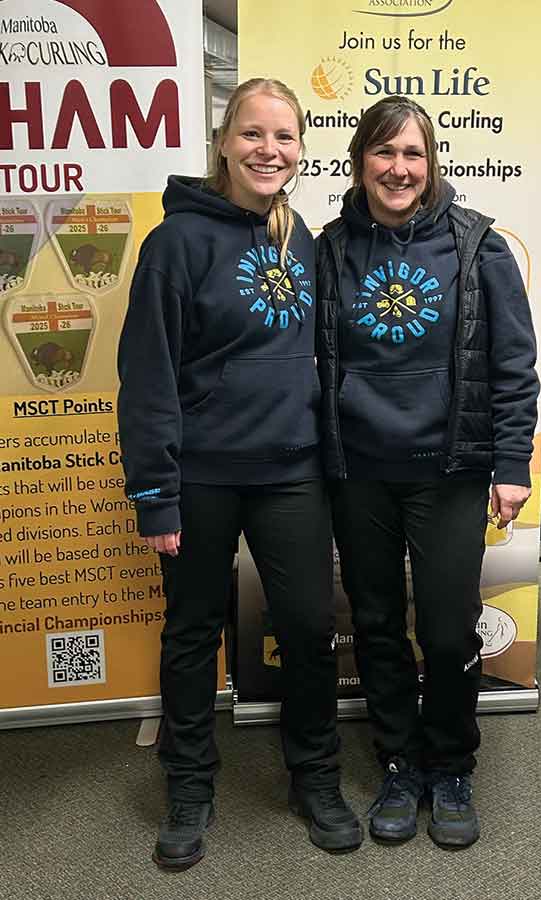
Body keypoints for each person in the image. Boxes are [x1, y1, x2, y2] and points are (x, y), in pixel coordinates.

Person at [117, 78, 363, 870]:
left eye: (285, 138)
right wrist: (155, 493)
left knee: (306, 629)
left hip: (292, 471)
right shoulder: (175, 244)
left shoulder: (303, 240)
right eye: (254, 135)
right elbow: (148, 376)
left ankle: (314, 777)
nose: (269, 151)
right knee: (193, 633)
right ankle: (189, 784)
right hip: (200, 476)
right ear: (224, 141)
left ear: (300, 150)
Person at [315, 96, 539, 849]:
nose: (398, 168)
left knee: (445, 632)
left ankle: (449, 763)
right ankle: (398, 761)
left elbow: (512, 364)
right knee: (375, 624)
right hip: (359, 471)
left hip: (449, 471)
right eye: (384, 153)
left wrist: (512, 461)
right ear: (360, 162)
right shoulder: (328, 250)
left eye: (412, 154)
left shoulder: (477, 249)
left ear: (431, 162)